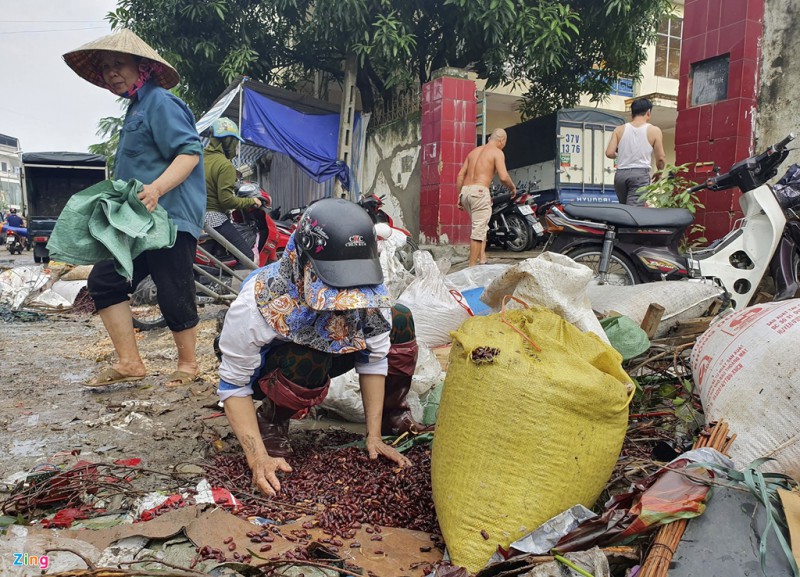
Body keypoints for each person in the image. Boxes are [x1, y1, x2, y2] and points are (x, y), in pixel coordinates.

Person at [216, 198, 431, 496]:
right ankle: (273, 419)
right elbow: (234, 386)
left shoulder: (365, 294)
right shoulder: (256, 305)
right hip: (278, 368)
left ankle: (392, 416)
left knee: (400, 318)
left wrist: (373, 436)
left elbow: (375, 361)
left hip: (335, 353)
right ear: (302, 261)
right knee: (310, 354)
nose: (344, 297)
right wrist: (256, 457)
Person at [63, 29, 206, 387]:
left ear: (142, 67)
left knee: (174, 289)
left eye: (119, 65)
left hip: (169, 216)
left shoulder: (161, 102)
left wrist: (157, 188)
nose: (112, 73)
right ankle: (130, 362)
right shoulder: (135, 108)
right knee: (105, 281)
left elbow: (189, 153)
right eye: (106, 67)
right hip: (136, 221)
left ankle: (188, 365)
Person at [204, 117, 262, 264]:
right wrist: (251, 201)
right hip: (214, 218)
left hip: (197, 216)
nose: (235, 146)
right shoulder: (225, 165)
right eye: (234, 142)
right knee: (247, 258)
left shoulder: (200, 158)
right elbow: (226, 201)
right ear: (227, 141)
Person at [457, 128, 516, 267]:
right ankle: (471, 268)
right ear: (501, 140)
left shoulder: (474, 152)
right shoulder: (497, 152)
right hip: (479, 191)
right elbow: (503, 176)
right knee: (478, 232)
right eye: (505, 142)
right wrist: (512, 187)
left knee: (481, 226)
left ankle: (482, 258)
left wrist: (460, 196)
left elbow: (460, 175)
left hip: (466, 191)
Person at [605, 98, 667, 206]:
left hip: (620, 175)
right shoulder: (654, 131)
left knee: (625, 209)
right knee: (634, 212)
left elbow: (609, 153)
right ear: (648, 112)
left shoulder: (619, 130)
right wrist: (659, 172)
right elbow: (661, 158)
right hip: (639, 175)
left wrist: (620, 154)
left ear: (632, 113)